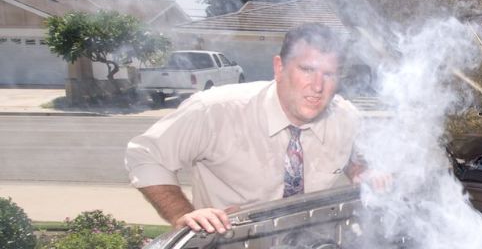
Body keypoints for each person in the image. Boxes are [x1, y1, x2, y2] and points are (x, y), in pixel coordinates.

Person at [126, 23, 365, 234]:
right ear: (279, 67)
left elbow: (353, 158)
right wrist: (182, 214)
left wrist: (360, 171)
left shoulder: (346, 118)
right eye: (307, 70)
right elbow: (146, 155)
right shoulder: (215, 110)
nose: (318, 86)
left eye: (329, 74)